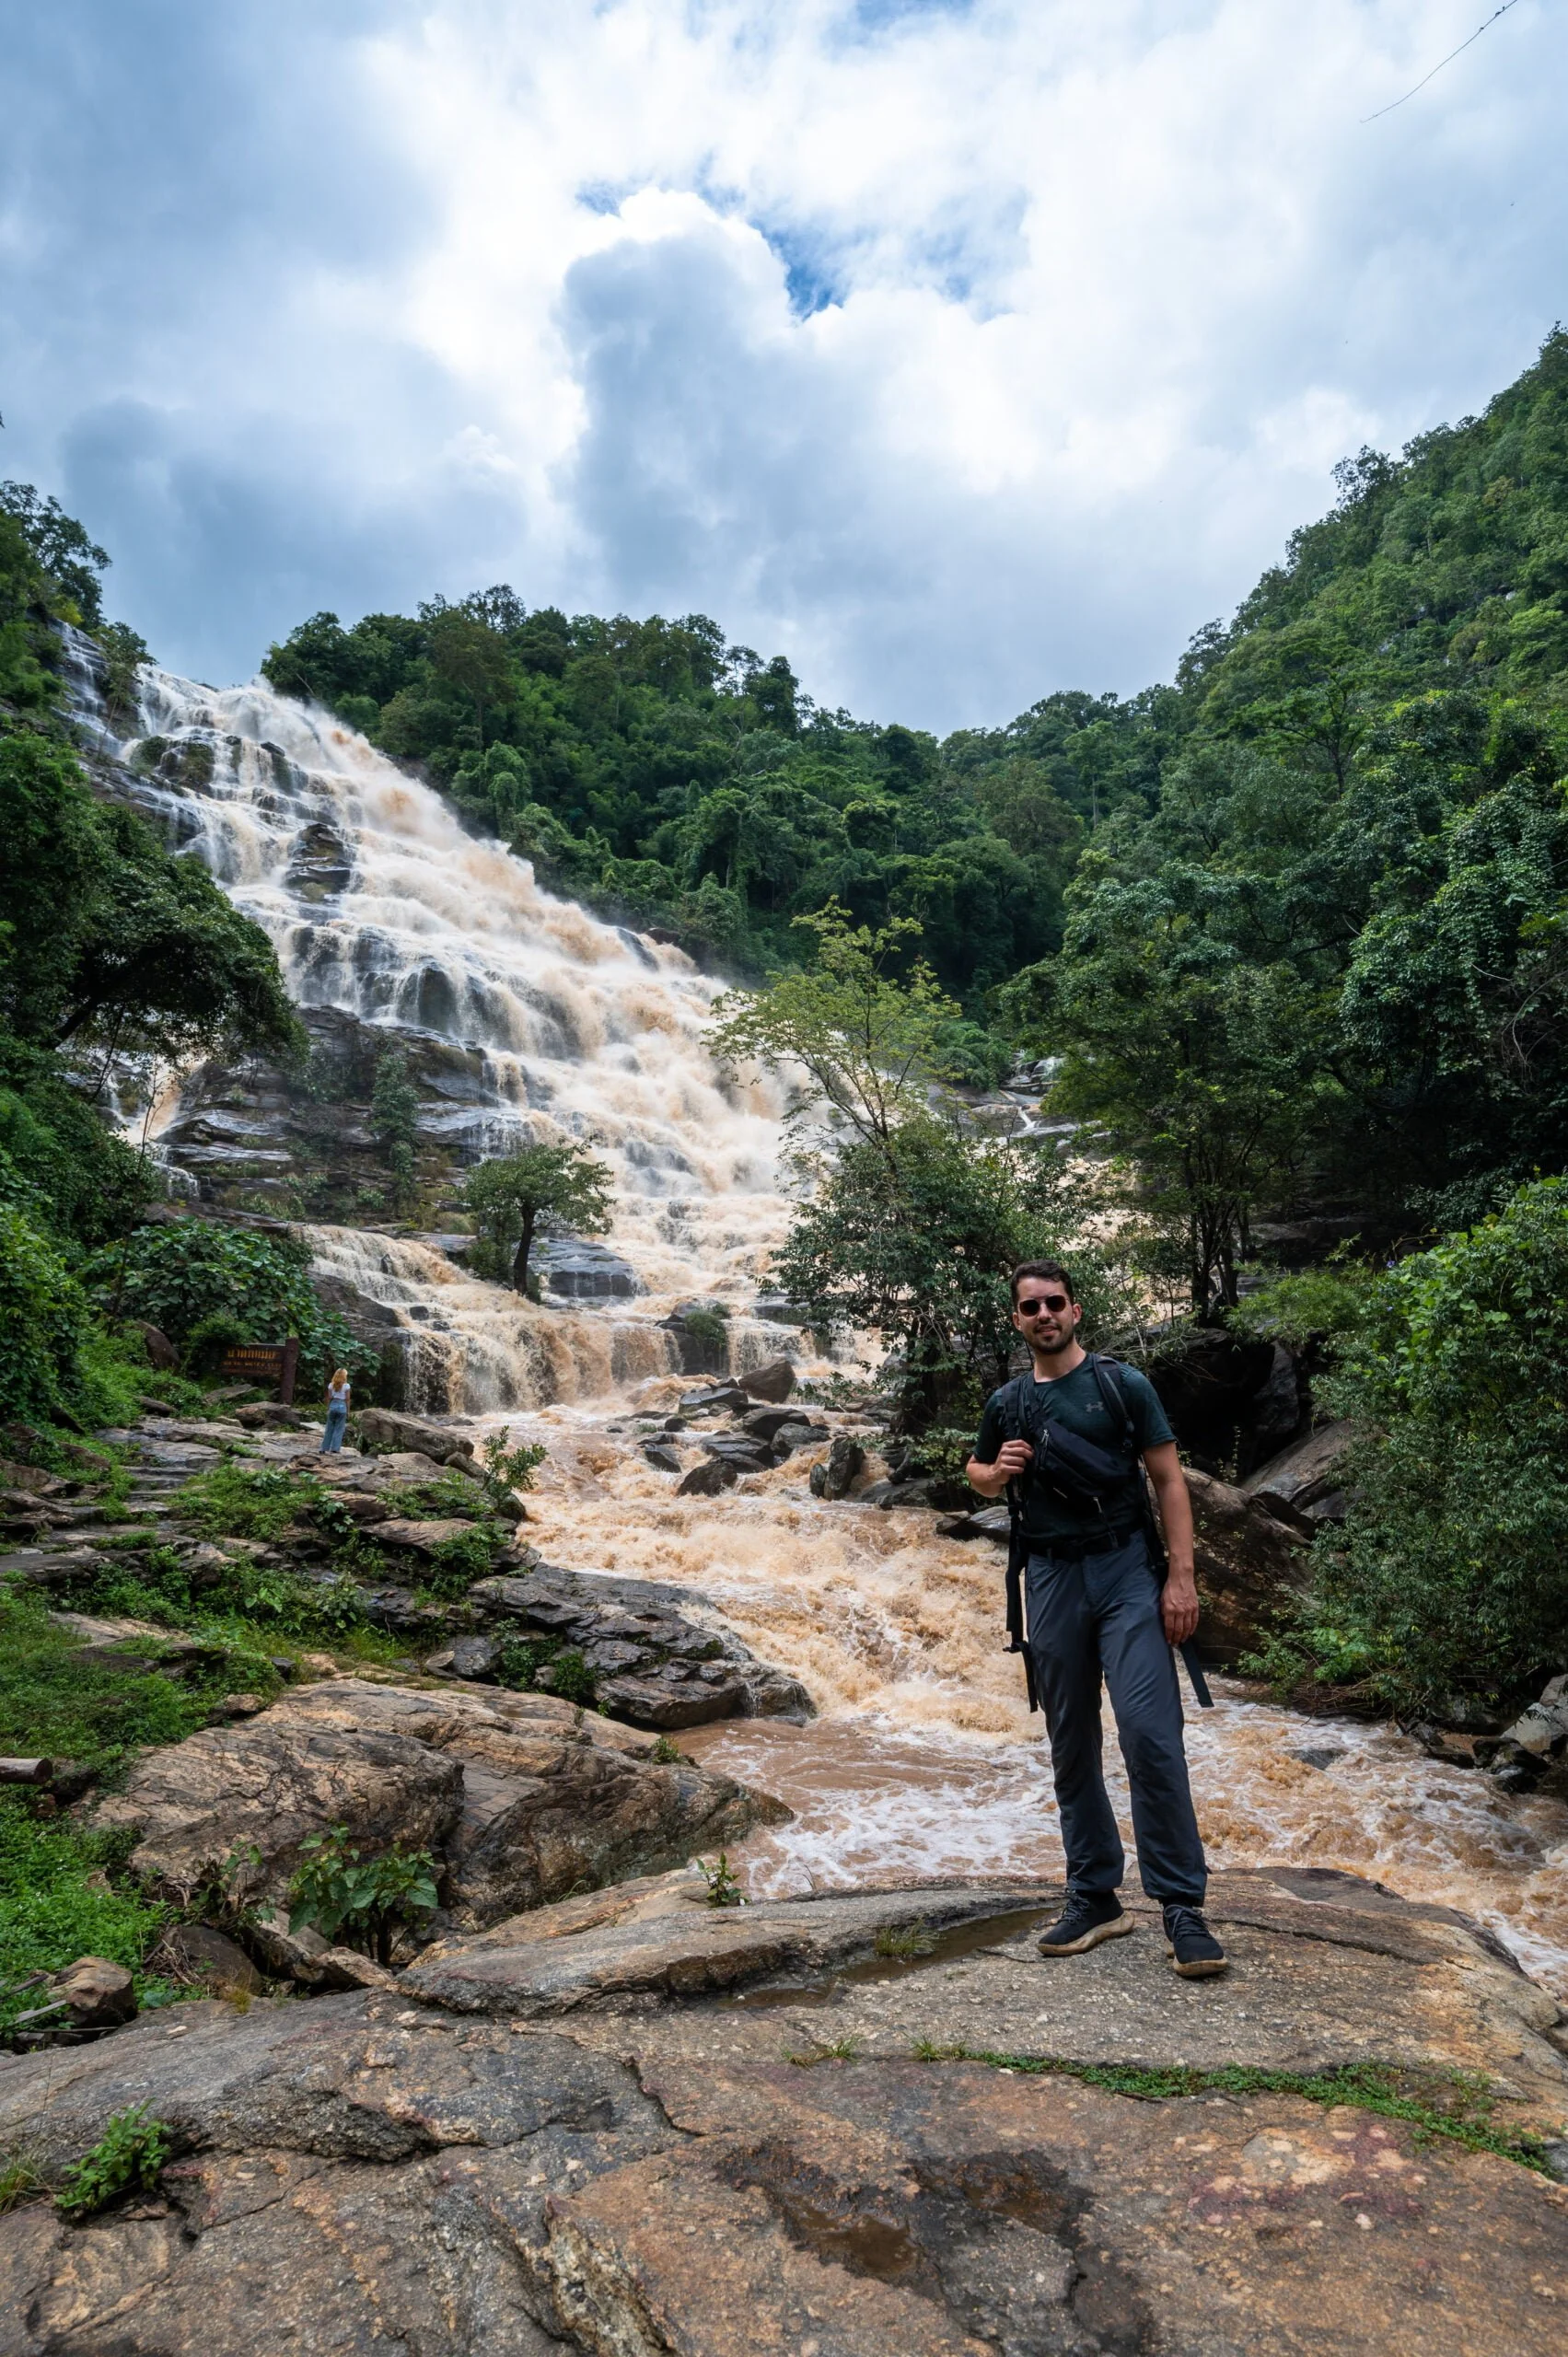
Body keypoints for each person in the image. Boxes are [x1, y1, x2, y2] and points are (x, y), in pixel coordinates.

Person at [966, 1262, 1227, 1979]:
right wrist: (996, 1474)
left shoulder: (1121, 1385)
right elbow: (975, 1471)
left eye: (1054, 1303)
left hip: (1125, 1572)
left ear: (1074, 1311)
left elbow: (1168, 1480)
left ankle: (1180, 1906)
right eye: (1030, 1307)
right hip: (1048, 1576)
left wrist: (1180, 1578)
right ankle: (1094, 1895)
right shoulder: (1008, 1402)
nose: (1043, 1314)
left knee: (1149, 1736)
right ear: (1016, 1320)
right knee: (1070, 1738)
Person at [320, 1367, 351, 1455]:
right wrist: (348, 1411)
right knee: (339, 1429)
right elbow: (347, 1399)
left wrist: (328, 1408)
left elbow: (329, 1398)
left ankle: (324, 1448)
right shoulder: (347, 1386)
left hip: (333, 1405)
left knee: (329, 1428)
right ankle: (335, 1449)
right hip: (342, 1407)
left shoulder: (331, 1385)